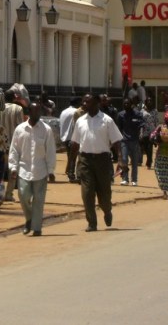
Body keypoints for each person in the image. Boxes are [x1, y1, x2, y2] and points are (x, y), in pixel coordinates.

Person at [69, 94, 123, 232]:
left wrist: (121, 160)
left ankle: (107, 210)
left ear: (96, 103)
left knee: (104, 195)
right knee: (87, 194)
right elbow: (75, 144)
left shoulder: (107, 120)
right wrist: (71, 164)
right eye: (83, 101)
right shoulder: (80, 121)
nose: (84, 103)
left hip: (103, 161)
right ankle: (92, 223)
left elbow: (117, 141)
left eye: (87, 101)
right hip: (85, 161)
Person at [8, 101, 56, 236]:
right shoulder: (20, 129)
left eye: (39, 111)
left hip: (41, 170)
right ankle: (29, 219)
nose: (37, 114)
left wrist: (51, 171)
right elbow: (14, 150)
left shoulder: (46, 129)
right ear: (29, 112)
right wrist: (13, 167)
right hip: (24, 169)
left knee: (39, 200)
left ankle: (36, 227)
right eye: (34, 111)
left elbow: (50, 151)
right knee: (23, 195)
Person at [0, 84, 28, 202]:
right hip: (14, 143)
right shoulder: (18, 109)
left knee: (0, 169)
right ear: (14, 98)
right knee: (13, 169)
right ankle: (9, 193)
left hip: (0, 142)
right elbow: (21, 126)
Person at [116, 98, 144, 186]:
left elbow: (141, 125)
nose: (126, 105)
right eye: (124, 104)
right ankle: (125, 179)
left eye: (127, 103)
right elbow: (119, 128)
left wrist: (141, 133)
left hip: (134, 141)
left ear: (131, 104)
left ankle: (134, 180)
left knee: (134, 161)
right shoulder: (121, 115)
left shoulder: (137, 114)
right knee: (124, 160)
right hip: (124, 141)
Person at [58, 98, 81, 182]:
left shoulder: (63, 111)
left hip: (64, 136)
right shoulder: (76, 111)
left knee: (70, 155)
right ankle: (71, 174)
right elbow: (74, 125)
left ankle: (70, 173)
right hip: (72, 137)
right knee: (74, 156)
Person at [139, 101, 156, 169]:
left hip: (151, 132)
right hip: (144, 132)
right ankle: (149, 159)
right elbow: (141, 123)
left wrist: (155, 132)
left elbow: (155, 122)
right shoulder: (142, 112)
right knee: (145, 148)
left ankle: (149, 161)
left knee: (150, 148)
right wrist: (141, 133)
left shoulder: (154, 112)